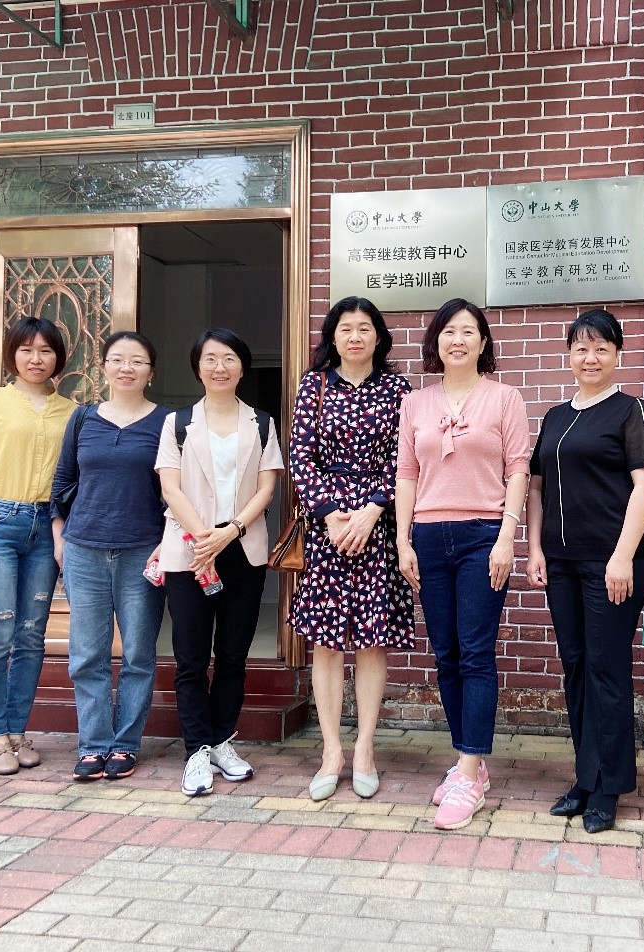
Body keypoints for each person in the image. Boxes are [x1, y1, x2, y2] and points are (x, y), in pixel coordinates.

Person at [396, 298, 530, 830]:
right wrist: (403, 540)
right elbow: (407, 472)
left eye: (469, 331)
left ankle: (470, 772)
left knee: (475, 653)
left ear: (483, 342)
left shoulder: (505, 398)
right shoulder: (416, 402)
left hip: (482, 536)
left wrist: (507, 537)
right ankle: (466, 761)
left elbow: (518, 469)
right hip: (428, 537)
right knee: (446, 654)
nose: (458, 340)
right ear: (436, 341)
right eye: (449, 331)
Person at [526, 308, 644, 834]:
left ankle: (609, 787)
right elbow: (537, 487)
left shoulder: (633, 412)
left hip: (612, 564)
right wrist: (535, 549)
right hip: (561, 563)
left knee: (607, 670)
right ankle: (585, 777)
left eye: (602, 348)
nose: (591, 357)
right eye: (581, 348)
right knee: (577, 667)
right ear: (569, 355)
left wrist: (624, 555)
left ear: (617, 355)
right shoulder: (556, 416)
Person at [288, 297, 415, 801]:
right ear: (333, 336)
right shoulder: (314, 385)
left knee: (371, 640)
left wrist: (373, 509)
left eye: (365, 328)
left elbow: (406, 458)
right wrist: (329, 513)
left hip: (377, 526)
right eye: (346, 328)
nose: (356, 336)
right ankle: (331, 751)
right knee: (326, 642)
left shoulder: (398, 390)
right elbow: (301, 456)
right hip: (328, 530)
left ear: (378, 336)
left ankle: (364, 749)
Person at [155, 328, 285, 797]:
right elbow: (170, 487)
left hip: (242, 550)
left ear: (242, 367)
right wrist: (203, 539)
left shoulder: (262, 423)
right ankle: (196, 750)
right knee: (191, 658)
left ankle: (222, 740)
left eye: (229, 358)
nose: (219, 367)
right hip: (189, 552)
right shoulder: (177, 423)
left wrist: (230, 531)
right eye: (210, 358)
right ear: (198, 366)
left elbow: (267, 488)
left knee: (233, 655)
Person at [0, 316, 76, 774]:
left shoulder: (72, 412)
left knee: (30, 636)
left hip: (46, 527)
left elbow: (72, 479)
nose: (35, 359)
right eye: (26, 350)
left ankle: (17, 731)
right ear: (12, 355)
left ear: (58, 357)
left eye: (45, 350)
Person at [52, 332, 168, 782]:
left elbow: (176, 489)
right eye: (117, 359)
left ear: (150, 372)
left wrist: (167, 541)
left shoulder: (166, 423)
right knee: (87, 654)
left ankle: (125, 744)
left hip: (142, 549)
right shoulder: (83, 418)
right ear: (103, 367)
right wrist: (60, 538)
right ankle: (93, 744)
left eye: (137, 361)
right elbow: (62, 482)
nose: (126, 368)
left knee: (138, 652)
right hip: (84, 549)